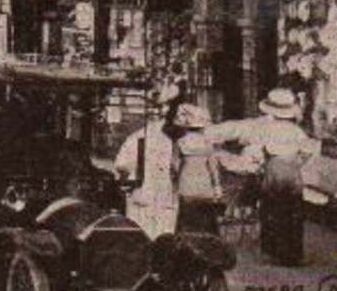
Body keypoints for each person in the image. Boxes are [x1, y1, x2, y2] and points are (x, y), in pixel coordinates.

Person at [208, 88, 318, 265]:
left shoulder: (266, 129)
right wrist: (297, 162)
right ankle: (294, 253)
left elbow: (256, 150)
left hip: (273, 169)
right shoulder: (297, 131)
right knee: (294, 211)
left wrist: (255, 164)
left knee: (272, 209)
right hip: (292, 171)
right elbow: (307, 151)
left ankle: (274, 250)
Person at [114, 90, 181, 237]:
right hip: (149, 199)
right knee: (155, 237)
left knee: (151, 237)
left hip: (157, 199)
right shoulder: (142, 137)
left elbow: (122, 166)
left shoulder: (139, 136)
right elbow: (122, 166)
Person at [172, 105, 224, 235]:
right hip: (204, 185)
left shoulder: (180, 142)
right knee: (206, 220)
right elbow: (213, 167)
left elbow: (175, 165)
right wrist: (217, 187)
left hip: (186, 184)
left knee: (186, 219)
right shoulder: (207, 142)